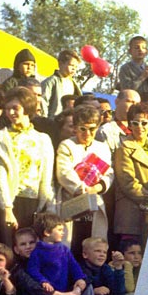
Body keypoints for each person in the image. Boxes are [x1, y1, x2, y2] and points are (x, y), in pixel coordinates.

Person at [0, 89, 55, 246]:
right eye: (7, 108)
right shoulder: (1, 136)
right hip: (6, 202)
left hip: (34, 203)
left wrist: (49, 206)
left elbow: (47, 175)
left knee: (30, 253)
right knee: (7, 250)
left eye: (15, 108)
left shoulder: (43, 139)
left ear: (27, 107)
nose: (11, 112)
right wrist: (7, 208)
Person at [55, 105, 114, 248]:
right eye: (83, 129)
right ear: (75, 128)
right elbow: (63, 172)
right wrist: (83, 189)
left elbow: (109, 172)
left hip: (94, 202)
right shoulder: (67, 145)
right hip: (72, 200)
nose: (87, 133)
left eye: (92, 129)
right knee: (69, 243)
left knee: (93, 245)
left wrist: (99, 187)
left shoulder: (103, 147)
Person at [113, 102, 148, 249]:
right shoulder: (123, 149)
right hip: (132, 214)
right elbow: (128, 183)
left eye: (144, 123)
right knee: (131, 260)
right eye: (135, 123)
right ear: (129, 125)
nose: (140, 127)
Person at [41, 50, 83, 121]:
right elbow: (43, 102)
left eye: (76, 67)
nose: (74, 69)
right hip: (53, 120)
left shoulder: (74, 84)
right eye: (71, 65)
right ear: (60, 64)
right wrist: (44, 121)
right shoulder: (50, 82)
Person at [116, 36, 148, 101]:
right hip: (134, 102)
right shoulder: (126, 68)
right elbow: (126, 90)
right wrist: (142, 78)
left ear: (146, 51)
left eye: (143, 48)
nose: (140, 50)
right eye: (136, 47)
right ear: (130, 51)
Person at [97, 89, 139, 153]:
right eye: (130, 102)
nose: (134, 106)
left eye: (137, 103)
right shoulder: (105, 131)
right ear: (117, 102)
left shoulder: (141, 128)